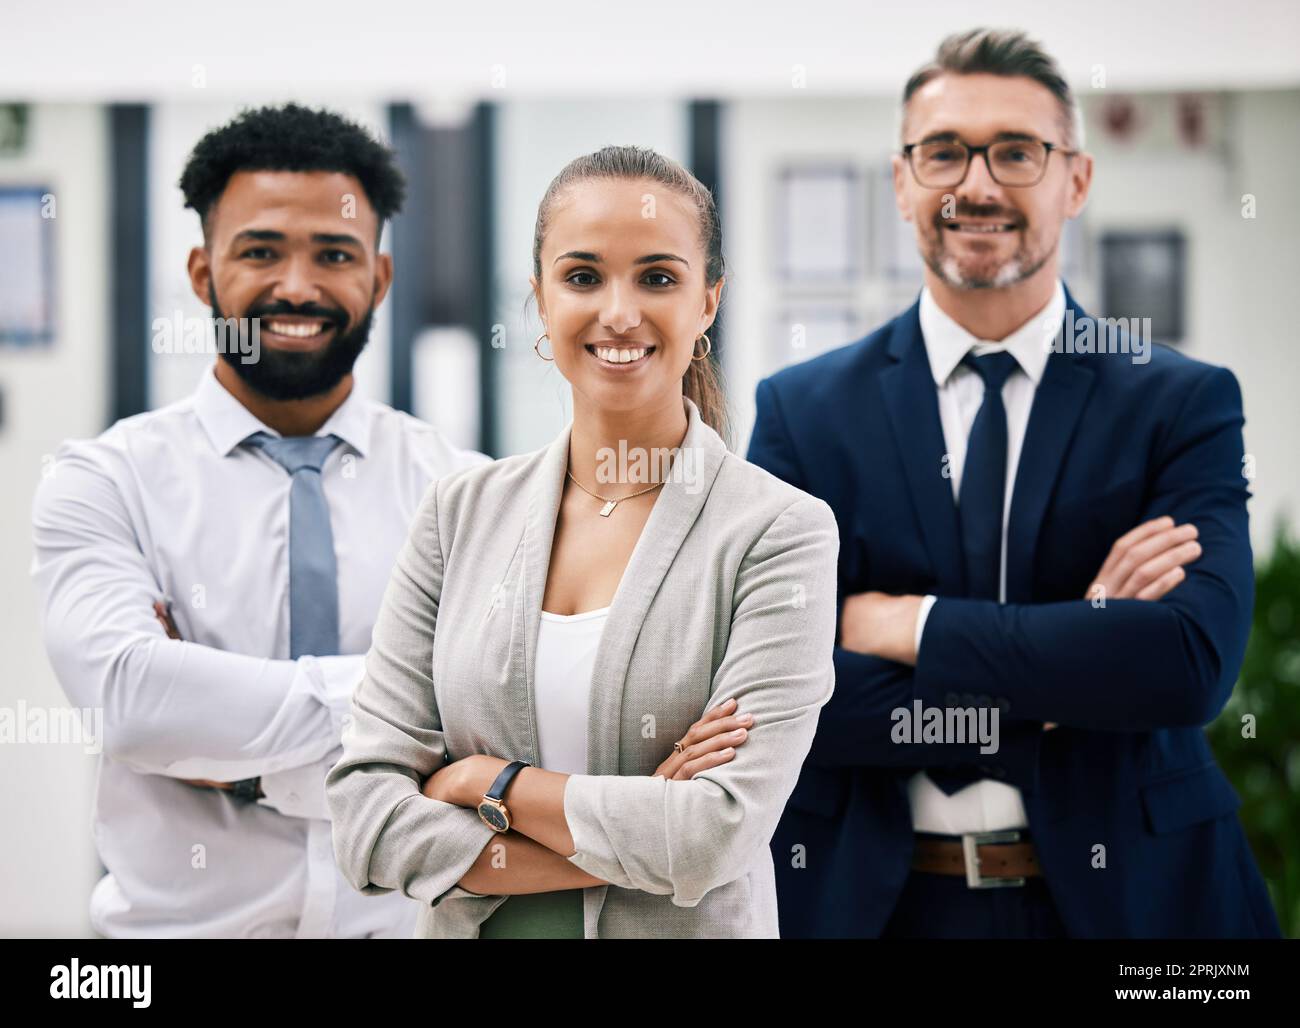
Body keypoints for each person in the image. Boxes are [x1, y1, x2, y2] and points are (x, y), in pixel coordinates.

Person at [748, 28, 1281, 938]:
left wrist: (905, 626)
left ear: (1075, 180)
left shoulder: (1181, 402)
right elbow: (778, 697)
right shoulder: (804, 410)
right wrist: (1069, 676)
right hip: (875, 904)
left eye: (1017, 152)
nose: (978, 183)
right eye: (945, 151)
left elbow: (1188, 668)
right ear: (901, 181)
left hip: (1140, 907)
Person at [324, 145, 839, 938]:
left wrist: (488, 781)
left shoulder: (777, 532)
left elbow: (715, 834)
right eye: (583, 276)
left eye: (659, 278)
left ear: (709, 301)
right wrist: (635, 827)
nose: (620, 312)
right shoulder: (457, 515)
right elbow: (367, 819)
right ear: (539, 300)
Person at [30, 103, 489, 938]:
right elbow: (132, 704)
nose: (298, 287)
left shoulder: (467, 492)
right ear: (203, 273)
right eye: (261, 251)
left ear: (379, 279)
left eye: (335, 254)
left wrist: (232, 756)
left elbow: (493, 728)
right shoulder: (103, 481)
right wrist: (404, 707)